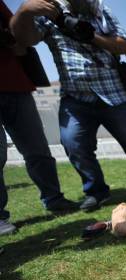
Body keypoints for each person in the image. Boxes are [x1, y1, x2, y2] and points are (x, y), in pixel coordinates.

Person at [11, 0, 126, 211]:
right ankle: (96, 191)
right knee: (74, 144)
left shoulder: (100, 9)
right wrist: (24, 12)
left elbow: (125, 44)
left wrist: (92, 36)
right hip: (74, 97)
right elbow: (24, 39)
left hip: (114, 93)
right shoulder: (50, 11)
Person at [1, 0, 77, 236]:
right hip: (14, 86)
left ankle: (54, 198)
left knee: (37, 149)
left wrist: (24, 13)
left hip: (16, 85)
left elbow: (20, 38)